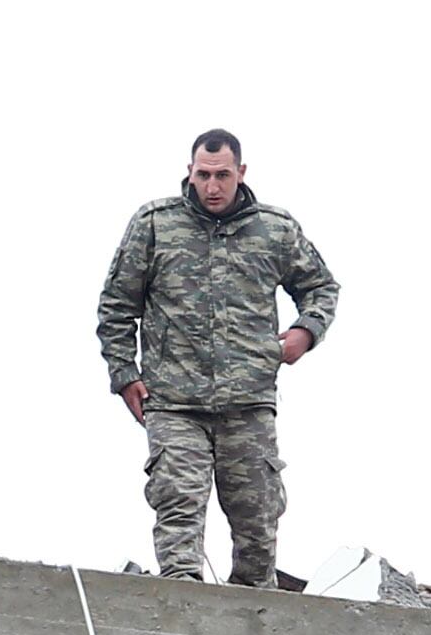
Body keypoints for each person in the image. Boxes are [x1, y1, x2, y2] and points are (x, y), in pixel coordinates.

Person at [92, 128, 340, 586]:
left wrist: (306, 331)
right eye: (203, 175)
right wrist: (124, 374)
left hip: (248, 405)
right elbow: (117, 305)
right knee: (179, 513)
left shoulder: (275, 229)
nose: (212, 186)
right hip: (173, 402)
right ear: (189, 171)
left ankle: (254, 615)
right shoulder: (154, 224)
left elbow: (321, 287)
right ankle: (184, 605)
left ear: (240, 173)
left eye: (222, 175)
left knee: (258, 527)